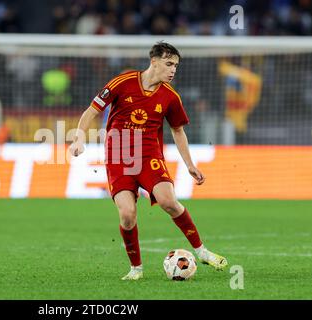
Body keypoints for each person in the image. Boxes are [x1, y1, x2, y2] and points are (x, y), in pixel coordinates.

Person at [69, 41, 228, 280]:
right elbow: (91, 111)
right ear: (154, 61)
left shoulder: (170, 97)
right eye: (169, 64)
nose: (173, 70)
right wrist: (79, 138)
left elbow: (178, 131)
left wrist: (190, 165)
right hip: (118, 157)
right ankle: (136, 269)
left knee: (169, 202)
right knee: (127, 215)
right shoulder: (122, 82)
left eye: (176, 65)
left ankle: (202, 251)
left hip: (149, 156)